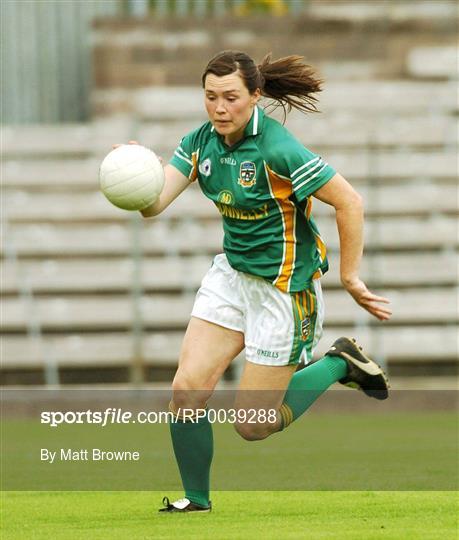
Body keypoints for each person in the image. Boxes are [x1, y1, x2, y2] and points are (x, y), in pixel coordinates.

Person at [131, 50, 392, 513]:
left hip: (283, 289)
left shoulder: (278, 148)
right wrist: (132, 175)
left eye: (231, 97)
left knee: (252, 426)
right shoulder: (199, 142)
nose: (219, 108)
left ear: (255, 96)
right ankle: (196, 500)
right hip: (231, 278)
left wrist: (350, 276)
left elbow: (349, 201)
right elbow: (153, 205)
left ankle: (339, 361)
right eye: (210, 97)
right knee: (185, 390)